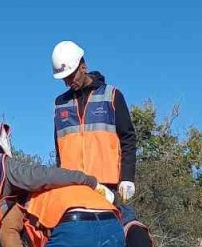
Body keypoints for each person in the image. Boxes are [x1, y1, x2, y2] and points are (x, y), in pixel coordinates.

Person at [50, 40, 137, 200]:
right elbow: (59, 152)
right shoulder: (60, 104)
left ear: (83, 67)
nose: (68, 82)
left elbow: (128, 139)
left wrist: (127, 177)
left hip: (108, 187)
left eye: (70, 76)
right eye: (64, 79)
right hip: (72, 187)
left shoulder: (112, 95)